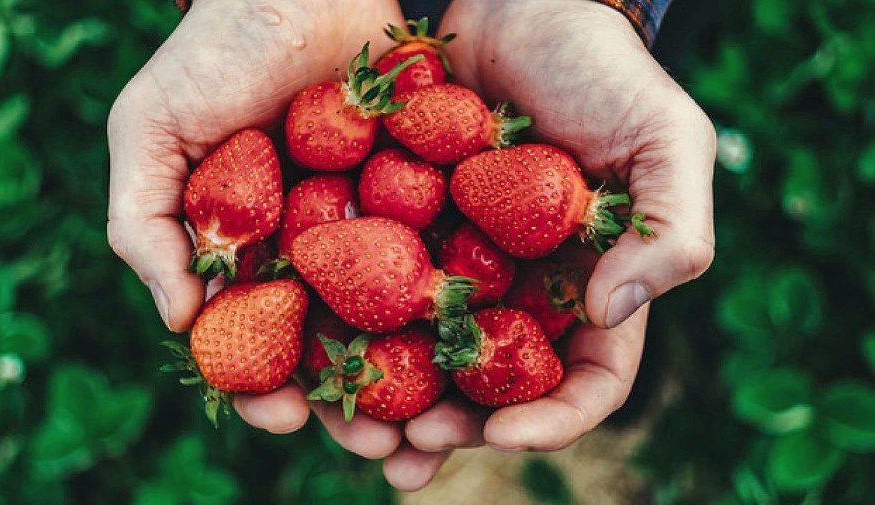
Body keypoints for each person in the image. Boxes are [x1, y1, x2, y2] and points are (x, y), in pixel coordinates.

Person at [107, 0, 715, 492]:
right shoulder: (392, 264)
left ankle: (619, 325)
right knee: (588, 291)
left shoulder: (405, 264)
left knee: (601, 279)